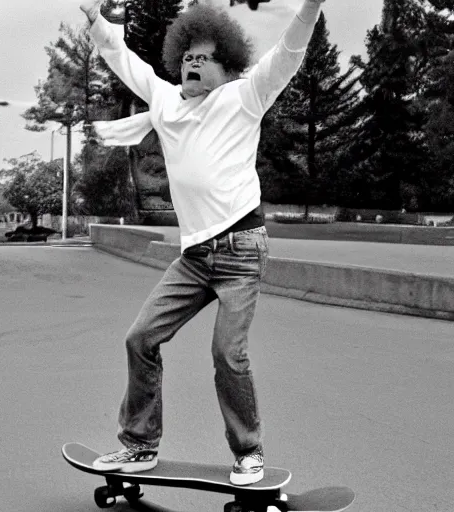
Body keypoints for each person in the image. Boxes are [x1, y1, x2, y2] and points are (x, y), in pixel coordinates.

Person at [79, 0, 325, 486]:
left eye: (204, 57)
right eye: (188, 56)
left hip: (241, 250)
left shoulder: (245, 96)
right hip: (194, 257)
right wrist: (95, 22)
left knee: (227, 353)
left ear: (227, 66)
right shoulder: (166, 101)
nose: (192, 62)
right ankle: (141, 445)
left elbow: (289, 52)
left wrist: (311, 5)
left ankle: (249, 452)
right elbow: (123, 57)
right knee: (140, 338)